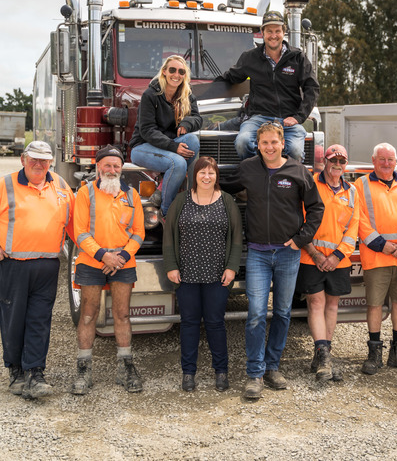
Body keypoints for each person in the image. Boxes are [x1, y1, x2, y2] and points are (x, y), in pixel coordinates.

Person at [223, 122, 324, 399]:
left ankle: (273, 367)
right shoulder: (249, 168)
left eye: (274, 142)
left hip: (288, 253)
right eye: (264, 143)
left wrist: (302, 238)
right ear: (257, 144)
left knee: (281, 312)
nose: (269, 147)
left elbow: (316, 207)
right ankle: (255, 373)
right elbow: (221, 185)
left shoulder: (298, 171)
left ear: (283, 144)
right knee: (256, 313)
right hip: (257, 253)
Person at [0, 141, 74, 399]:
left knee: (40, 320)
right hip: (13, 265)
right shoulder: (6, 184)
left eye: (44, 160)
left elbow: (75, 223)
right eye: (34, 159)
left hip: (48, 265)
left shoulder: (62, 186)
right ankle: (15, 371)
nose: (39, 164)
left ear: (51, 162)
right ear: (23, 159)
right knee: (13, 319)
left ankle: (35, 372)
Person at [70, 145, 145, 395]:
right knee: (89, 314)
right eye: (107, 165)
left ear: (122, 169)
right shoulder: (85, 193)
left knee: (122, 315)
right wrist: (104, 255)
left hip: (123, 261)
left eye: (116, 166)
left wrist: (121, 256)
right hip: (92, 261)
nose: (112, 170)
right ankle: (84, 370)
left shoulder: (131, 194)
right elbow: (79, 232)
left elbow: (138, 232)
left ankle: (126, 368)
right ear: (98, 167)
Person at [163, 156, 242, 392]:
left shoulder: (227, 201)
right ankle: (188, 373)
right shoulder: (181, 200)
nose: (206, 177)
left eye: (211, 173)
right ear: (193, 176)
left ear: (217, 176)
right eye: (202, 173)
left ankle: (221, 372)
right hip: (186, 274)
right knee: (188, 323)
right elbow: (169, 236)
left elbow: (237, 237)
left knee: (215, 323)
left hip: (217, 275)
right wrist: (171, 265)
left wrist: (231, 267)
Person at [354, 143, 397, 375]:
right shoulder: (361, 184)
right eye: (381, 159)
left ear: (396, 161)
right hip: (376, 256)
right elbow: (359, 218)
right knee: (374, 305)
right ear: (373, 161)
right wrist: (382, 245)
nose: (386, 163)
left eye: (390, 159)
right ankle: (374, 354)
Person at [296, 144, 359, 382]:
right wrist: (315, 254)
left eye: (342, 161)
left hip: (338, 262)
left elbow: (353, 229)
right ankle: (323, 355)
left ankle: (324, 353)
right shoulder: (310, 184)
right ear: (325, 161)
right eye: (334, 160)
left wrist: (337, 256)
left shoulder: (352, 192)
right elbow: (299, 219)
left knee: (332, 306)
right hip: (311, 256)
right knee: (315, 303)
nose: (338, 165)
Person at [220, 10, 319, 161]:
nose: (273, 35)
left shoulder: (298, 58)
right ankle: (259, 177)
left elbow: (312, 88)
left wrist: (299, 117)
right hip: (258, 118)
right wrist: (195, 91)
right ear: (262, 33)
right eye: (269, 31)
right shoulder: (250, 58)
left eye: (277, 31)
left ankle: (286, 182)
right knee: (242, 142)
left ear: (284, 32)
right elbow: (230, 77)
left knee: (296, 151)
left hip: (288, 120)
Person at [130, 55, 202, 216]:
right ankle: (167, 214)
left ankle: (167, 190)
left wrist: (186, 124)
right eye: (172, 70)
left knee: (192, 140)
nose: (176, 75)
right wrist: (173, 147)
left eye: (181, 71)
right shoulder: (150, 95)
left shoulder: (187, 95)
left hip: (169, 145)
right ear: (164, 72)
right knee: (178, 163)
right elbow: (147, 130)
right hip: (142, 146)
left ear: (185, 75)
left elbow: (198, 118)